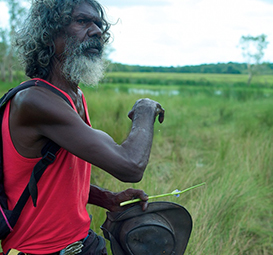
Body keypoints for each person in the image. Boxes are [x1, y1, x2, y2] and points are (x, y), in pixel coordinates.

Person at [1, 0, 165, 254]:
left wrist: (107, 198)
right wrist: (145, 108)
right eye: (82, 21)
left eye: (98, 24)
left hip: (82, 242)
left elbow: (56, 177)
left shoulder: (73, 95)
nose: (97, 31)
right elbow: (130, 165)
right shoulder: (34, 101)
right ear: (49, 35)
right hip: (37, 250)